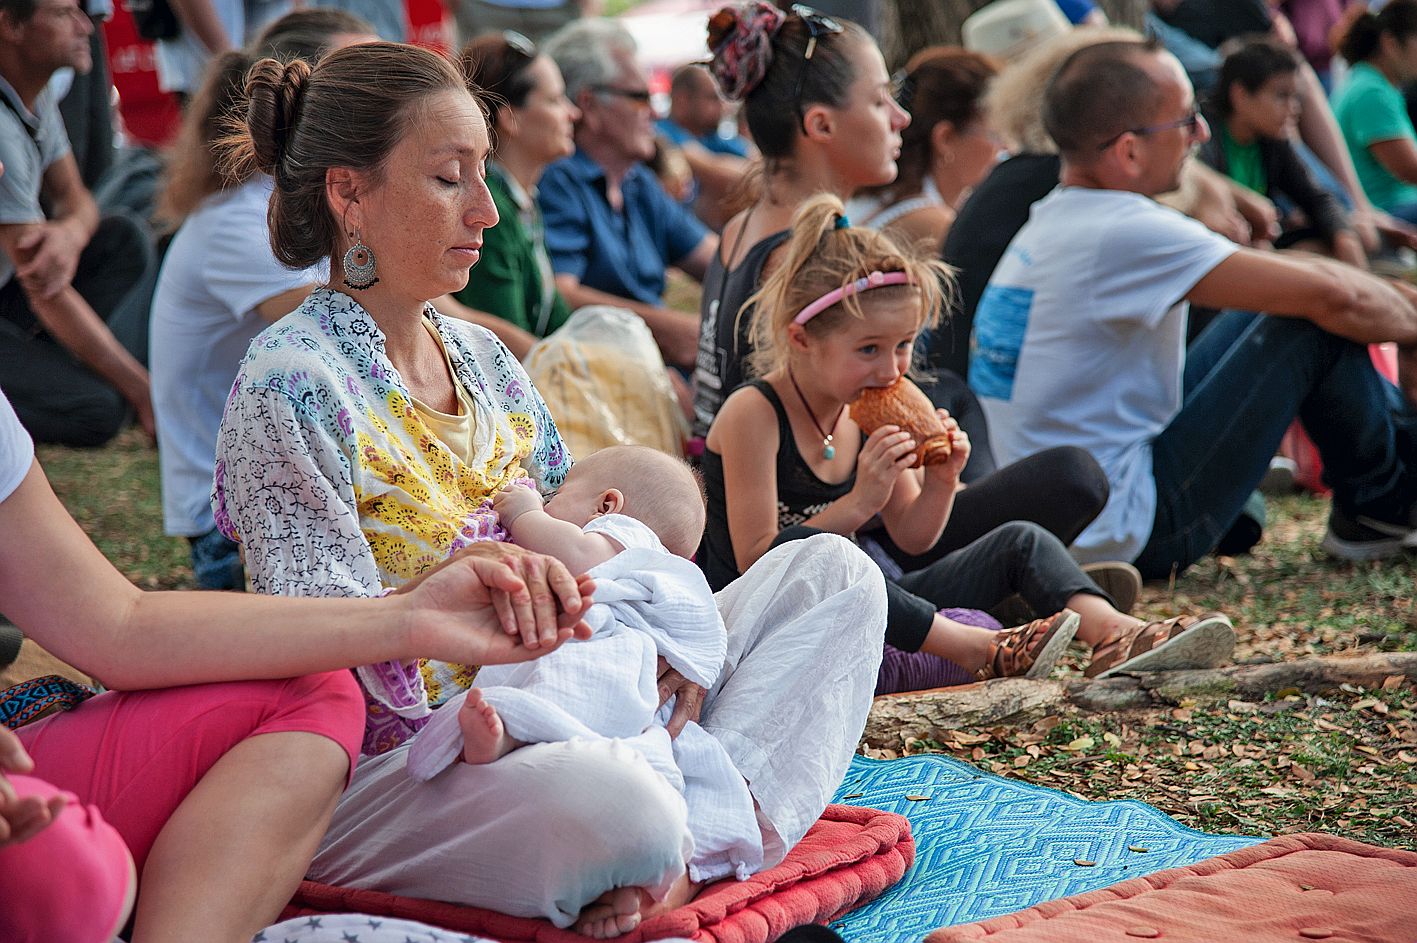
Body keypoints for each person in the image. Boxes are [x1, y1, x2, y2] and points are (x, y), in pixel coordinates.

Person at [212, 41, 889, 934]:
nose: (486, 211)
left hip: (579, 699)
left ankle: (674, 847)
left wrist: (647, 642)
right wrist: (474, 605)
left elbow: (596, 548)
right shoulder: (291, 383)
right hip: (412, 758)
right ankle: (672, 842)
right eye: (450, 178)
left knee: (836, 579)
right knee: (616, 809)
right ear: (350, 195)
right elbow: (315, 653)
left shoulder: (486, 361)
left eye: (483, 174)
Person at [0, 375, 596, 943]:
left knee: (318, 688)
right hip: (393, 764)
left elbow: (115, 624)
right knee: (70, 874)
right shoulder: (286, 380)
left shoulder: (482, 356)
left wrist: (409, 618)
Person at [705, 193, 1236, 684]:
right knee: (828, 555)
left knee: (1020, 539)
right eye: (868, 349)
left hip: (867, 600)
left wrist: (941, 481)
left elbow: (914, 538)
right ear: (801, 338)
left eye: (905, 345)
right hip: (760, 620)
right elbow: (759, 559)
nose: (892, 369)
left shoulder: (870, 408)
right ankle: (975, 647)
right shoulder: (756, 412)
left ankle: (1116, 634)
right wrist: (858, 502)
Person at [970, 39, 1417, 575]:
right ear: (1129, 151)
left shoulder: (1059, 218)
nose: (1202, 134)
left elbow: (1310, 280)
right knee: (1308, 319)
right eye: (1186, 121)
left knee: (1280, 304)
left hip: (1079, 508)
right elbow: (1332, 294)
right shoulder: (1123, 230)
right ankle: (1383, 506)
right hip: (1129, 525)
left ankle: (1386, 488)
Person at [695, 2, 1109, 566]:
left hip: (863, 495)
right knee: (1073, 477)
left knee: (954, 396)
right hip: (829, 521)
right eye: (879, 99)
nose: (901, 118)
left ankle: (1010, 560)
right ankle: (1005, 568)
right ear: (821, 124)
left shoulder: (744, 226)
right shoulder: (799, 254)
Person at [393, 446, 757, 937]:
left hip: (605, 652)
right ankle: (642, 875)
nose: (548, 501)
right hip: (632, 687)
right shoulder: (658, 562)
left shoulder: (624, 537)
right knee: (647, 762)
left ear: (607, 505)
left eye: (558, 494)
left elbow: (577, 556)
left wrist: (523, 511)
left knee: (570, 696)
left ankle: (517, 734)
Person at [149, 8, 378, 592]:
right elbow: (359, 334)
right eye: (364, 80)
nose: (386, 94)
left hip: (296, 487)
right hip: (235, 530)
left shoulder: (294, 202)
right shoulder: (243, 221)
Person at [0, 0, 154, 446]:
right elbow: (44, 288)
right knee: (100, 411)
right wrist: (143, 390)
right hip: (21, 291)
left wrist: (69, 233)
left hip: (12, 291)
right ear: (10, 25)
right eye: (65, 13)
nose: (86, 25)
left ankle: (40, 370)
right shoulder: (4, 133)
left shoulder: (33, 93)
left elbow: (77, 199)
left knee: (123, 238)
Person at [539, 18, 716, 370]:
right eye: (640, 97)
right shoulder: (558, 179)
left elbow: (719, 261)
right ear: (589, 106)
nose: (654, 112)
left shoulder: (636, 182)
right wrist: (668, 330)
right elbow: (560, 295)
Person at [452, 29, 577, 351]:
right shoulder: (492, 210)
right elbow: (505, 349)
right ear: (509, 118)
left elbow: (554, 320)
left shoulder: (521, 201)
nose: (572, 113)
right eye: (554, 100)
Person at [1200, 36, 1364, 267]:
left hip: (1261, 247)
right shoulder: (1203, 134)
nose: (1293, 108)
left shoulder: (1272, 138)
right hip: (1220, 255)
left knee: (1352, 235)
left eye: (1296, 97)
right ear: (1240, 94)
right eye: (1281, 96)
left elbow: (1317, 198)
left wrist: (1344, 237)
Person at [848, 46, 1001, 248]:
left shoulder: (883, 194)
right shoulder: (932, 226)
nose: (1006, 148)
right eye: (996, 134)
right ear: (945, 139)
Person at [1331, 0, 1417, 225]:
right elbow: (1411, 170)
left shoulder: (1377, 84)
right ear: (1390, 43)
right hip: (1386, 211)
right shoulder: (1371, 91)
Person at [658, 63, 753, 231]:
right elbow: (722, 175)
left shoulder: (711, 137)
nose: (723, 106)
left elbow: (763, 165)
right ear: (683, 99)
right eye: (713, 98)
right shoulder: (661, 134)